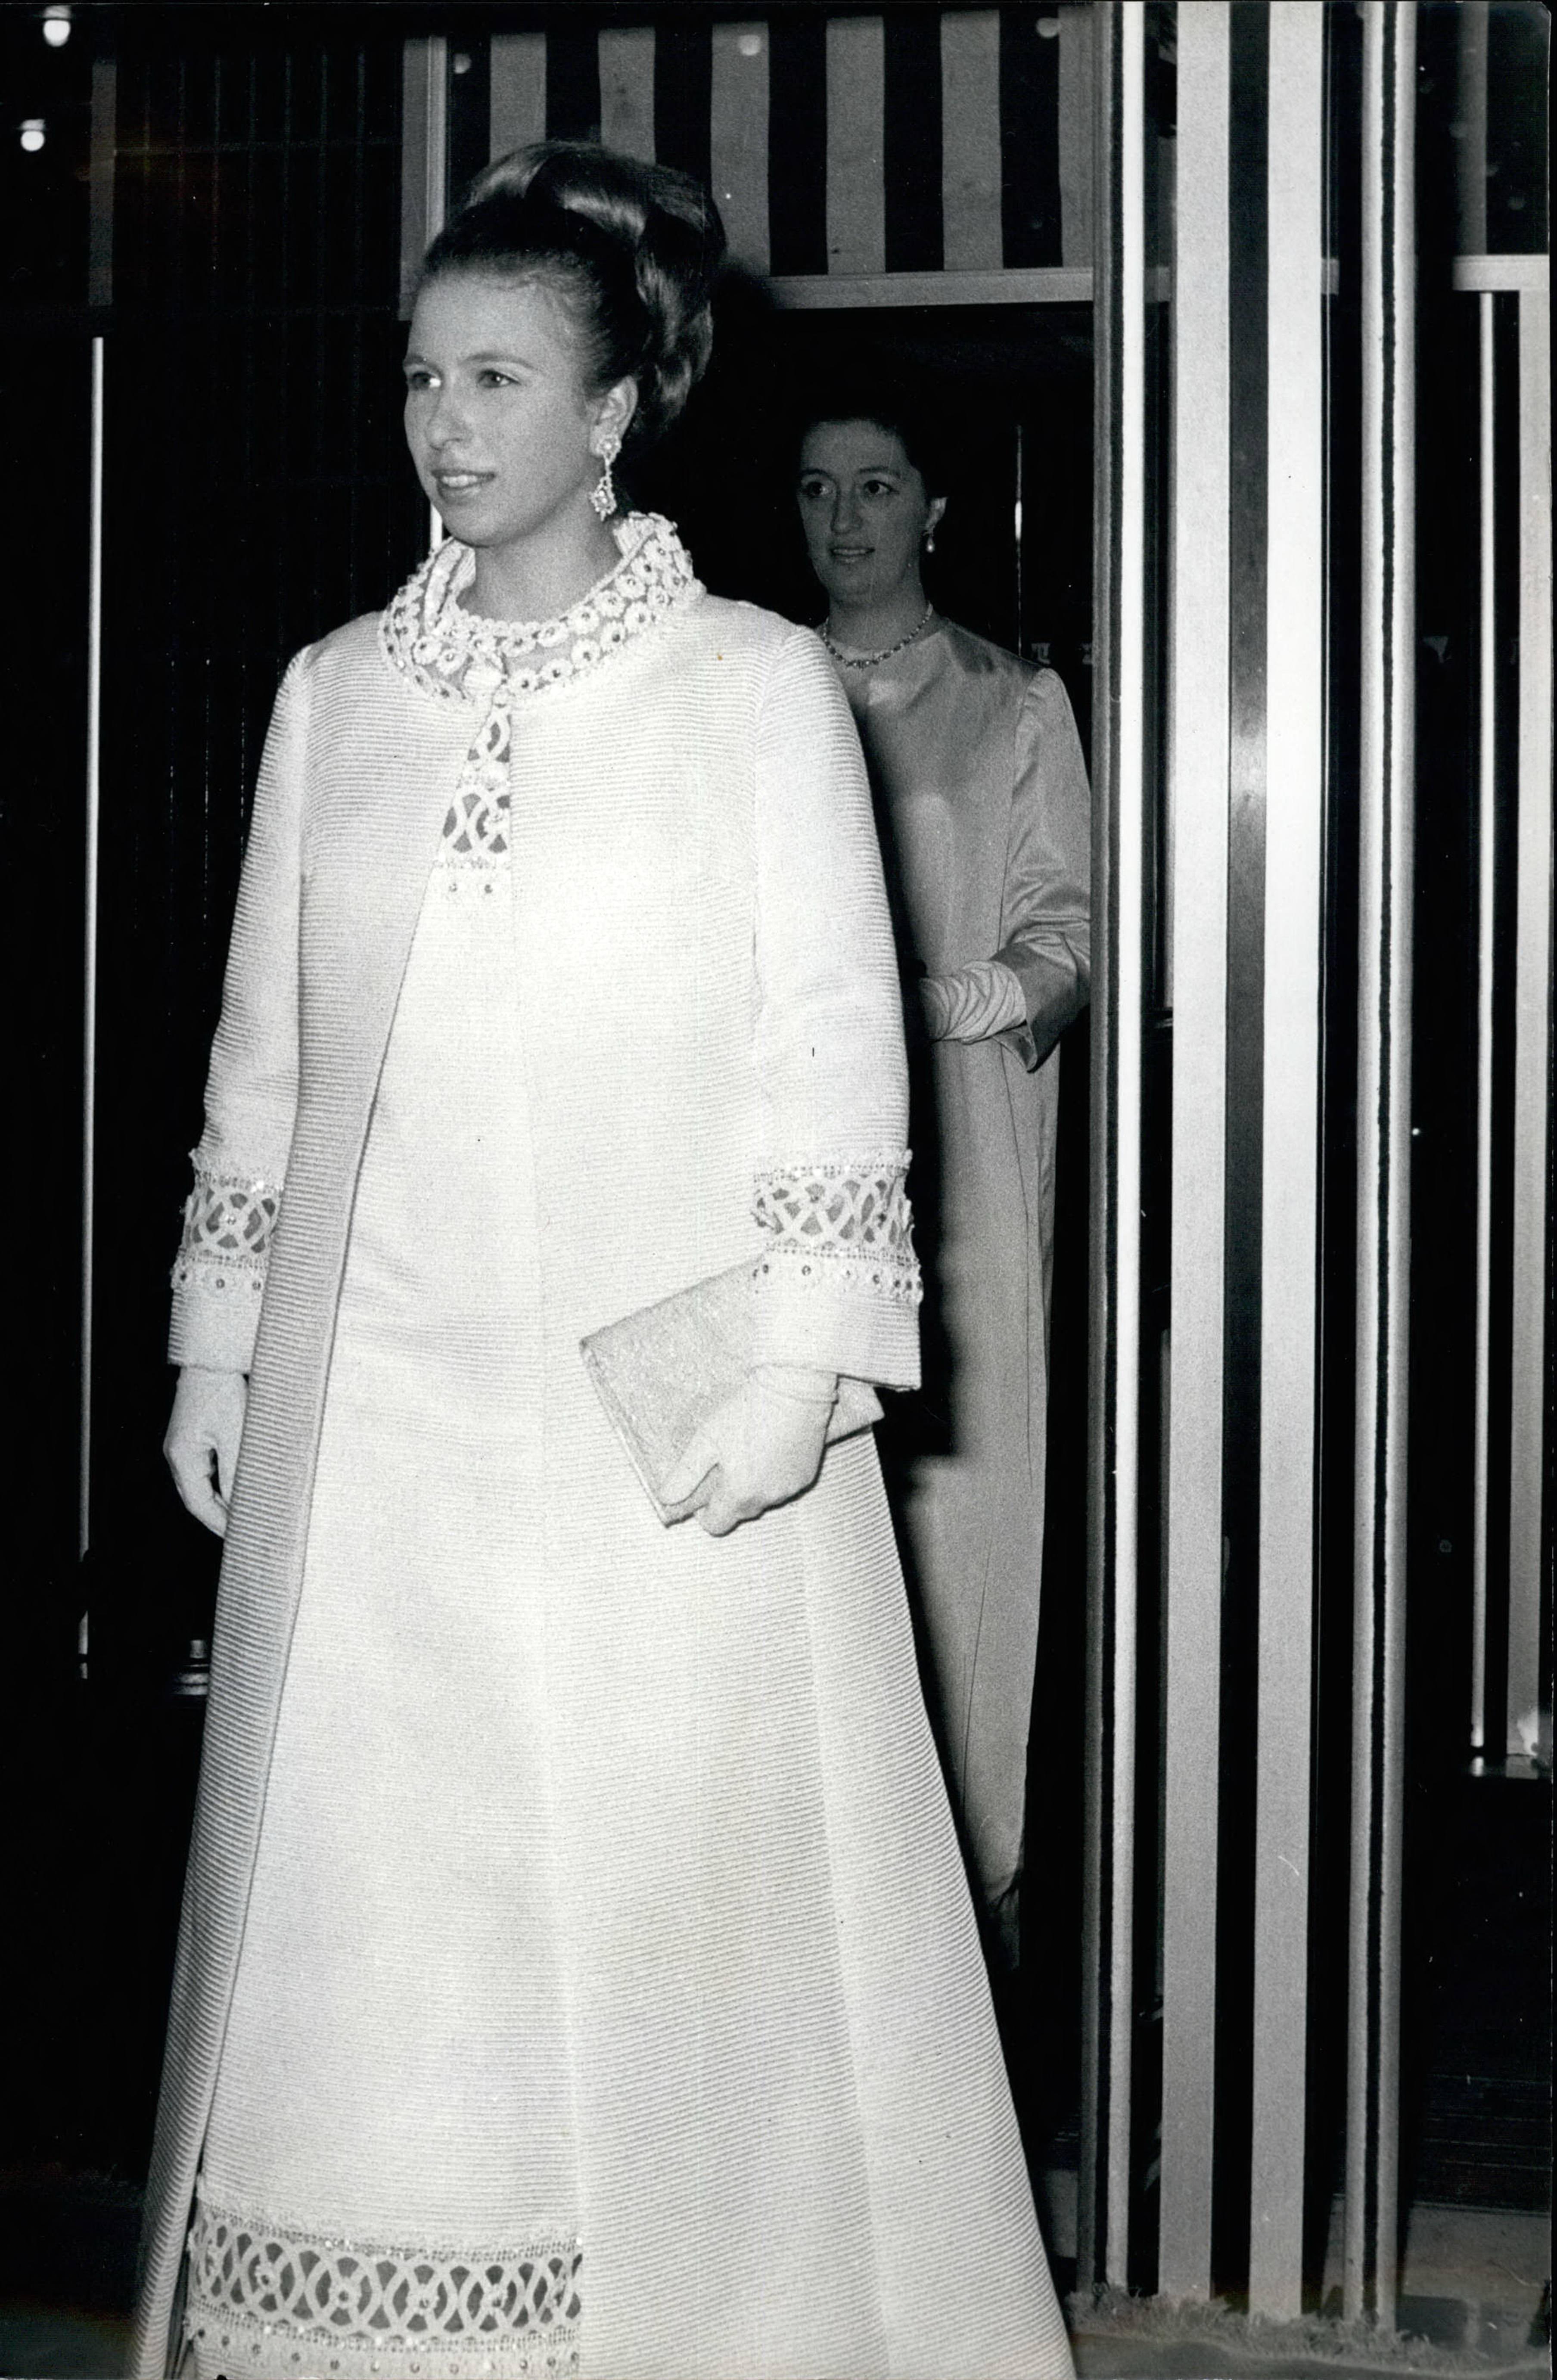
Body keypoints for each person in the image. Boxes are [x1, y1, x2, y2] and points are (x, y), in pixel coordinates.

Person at [131, 146, 1075, 2380]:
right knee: (379, 1910)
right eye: (419, 377)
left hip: (641, 1429)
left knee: (644, 1929)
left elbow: (836, 1050)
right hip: (372, 1436)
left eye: (497, 375)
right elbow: (258, 1053)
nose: (447, 422)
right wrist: (216, 1335)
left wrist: (809, 1355)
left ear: (618, 404)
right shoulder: (331, 693)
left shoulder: (751, 690)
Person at [795, 393, 1091, 1974]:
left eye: (878, 486)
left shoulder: (1012, 702)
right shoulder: (750, 682)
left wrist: (978, 992)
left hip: (959, 1157)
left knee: (964, 1518)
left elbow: (1071, 937)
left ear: (935, 508)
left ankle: (974, 1902)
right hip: (784, 1144)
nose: (846, 520)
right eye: (819, 490)